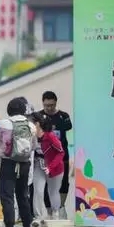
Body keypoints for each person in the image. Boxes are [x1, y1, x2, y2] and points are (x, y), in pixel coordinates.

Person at [0, 97, 36, 227]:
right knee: (23, 194)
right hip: (25, 162)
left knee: (7, 195)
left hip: (8, 162)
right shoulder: (31, 125)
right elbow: (33, 144)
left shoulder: (5, 123)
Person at [39, 91, 72, 219]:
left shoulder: (63, 116)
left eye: (51, 105)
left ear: (55, 103)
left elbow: (68, 127)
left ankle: (61, 207)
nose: (49, 108)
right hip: (45, 157)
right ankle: (49, 211)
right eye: (46, 105)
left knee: (64, 183)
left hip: (62, 155)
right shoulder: (39, 117)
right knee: (47, 184)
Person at [30, 112, 65, 225]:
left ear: (37, 124)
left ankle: (55, 213)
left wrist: (50, 167)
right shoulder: (32, 136)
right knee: (38, 190)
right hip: (38, 165)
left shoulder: (50, 136)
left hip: (54, 167)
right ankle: (38, 216)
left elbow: (60, 153)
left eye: (30, 123)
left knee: (53, 191)